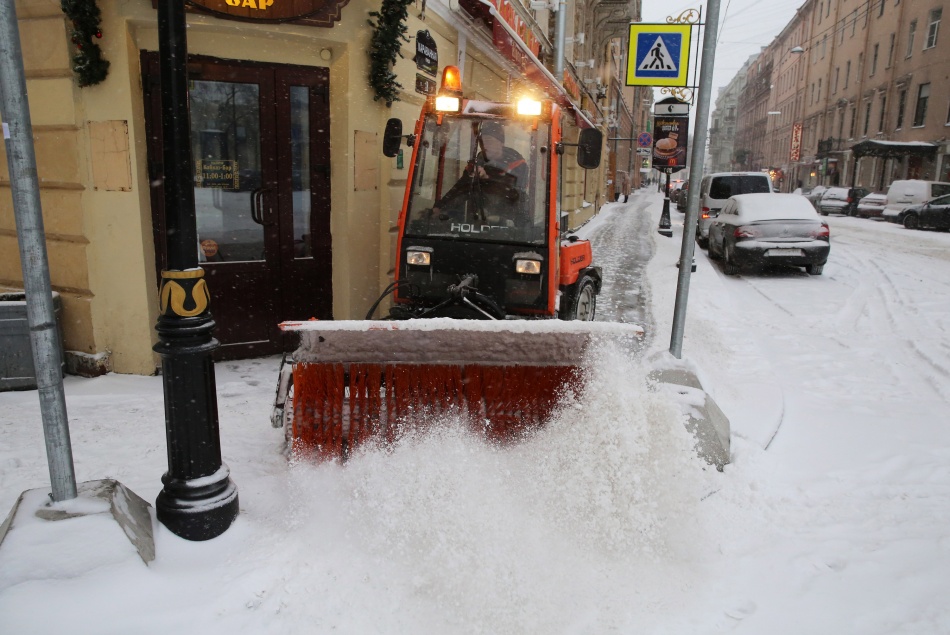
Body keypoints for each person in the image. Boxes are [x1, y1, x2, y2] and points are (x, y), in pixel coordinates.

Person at [432, 120, 528, 226]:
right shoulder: (478, 162)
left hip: (509, 219)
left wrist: (487, 178)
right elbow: (460, 187)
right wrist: (440, 206)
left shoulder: (518, 163)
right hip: (477, 218)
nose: (485, 145)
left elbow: (514, 190)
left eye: (489, 141)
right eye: (482, 141)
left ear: (501, 143)